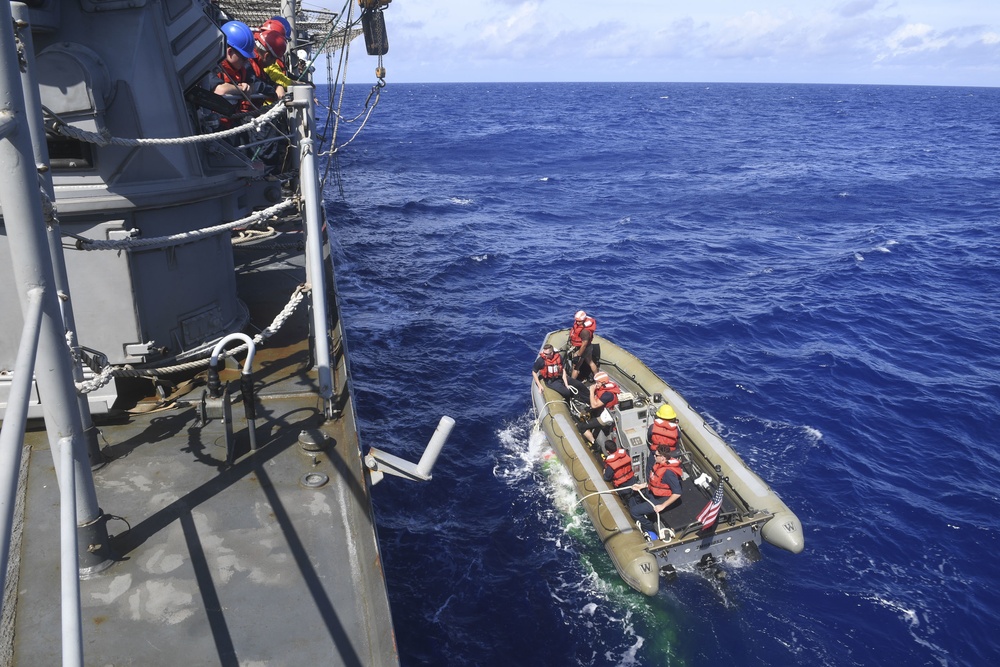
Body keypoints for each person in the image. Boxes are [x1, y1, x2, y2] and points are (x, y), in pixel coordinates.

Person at [628, 446, 683, 536]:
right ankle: (643, 513)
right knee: (635, 495)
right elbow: (655, 481)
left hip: (661, 499)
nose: (654, 456)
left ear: (663, 457)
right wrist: (642, 485)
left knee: (634, 511)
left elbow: (677, 493)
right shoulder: (659, 465)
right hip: (653, 493)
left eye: (656, 455)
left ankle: (649, 528)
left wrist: (662, 505)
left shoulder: (668, 473)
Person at [214, 21, 256, 109]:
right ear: (229, 52)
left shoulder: (242, 69)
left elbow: (253, 84)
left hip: (234, 119)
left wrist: (248, 87)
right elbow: (220, 90)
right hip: (216, 120)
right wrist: (241, 89)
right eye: (244, 58)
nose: (246, 61)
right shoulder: (213, 67)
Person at [577, 371, 620, 447]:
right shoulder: (606, 387)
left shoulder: (608, 394)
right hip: (603, 411)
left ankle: (594, 444)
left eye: (597, 382)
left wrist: (591, 391)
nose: (596, 384)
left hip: (606, 416)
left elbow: (594, 405)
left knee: (582, 427)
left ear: (603, 382)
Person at [568, 310, 598, 380]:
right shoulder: (581, 324)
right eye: (576, 321)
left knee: (576, 367)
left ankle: (572, 382)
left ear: (584, 320)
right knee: (590, 362)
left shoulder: (585, 332)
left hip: (583, 349)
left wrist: (578, 356)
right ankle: (597, 377)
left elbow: (584, 345)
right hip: (589, 347)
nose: (577, 323)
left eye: (579, 321)